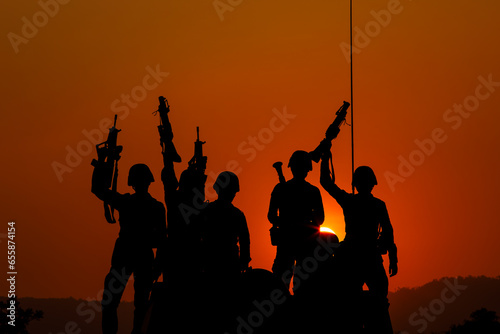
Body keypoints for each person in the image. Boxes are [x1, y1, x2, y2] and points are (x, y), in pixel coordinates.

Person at [320, 146, 398, 333]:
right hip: (367, 255)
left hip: (354, 255)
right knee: (376, 300)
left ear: (356, 183)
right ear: (372, 184)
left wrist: (325, 158)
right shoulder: (377, 204)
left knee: (352, 301)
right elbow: (388, 233)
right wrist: (393, 257)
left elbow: (326, 182)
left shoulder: (350, 201)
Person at [91, 163, 166, 334]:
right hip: (142, 257)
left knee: (113, 303)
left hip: (127, 255)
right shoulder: (156, 207)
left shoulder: (126, 202)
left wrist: (104, 164)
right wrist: (158, 266)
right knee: (139, 305)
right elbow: (162, 241)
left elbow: (98, 189)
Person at [199, 171, 251, 332]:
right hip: (227, 266)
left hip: (211, 265)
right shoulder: (237, 214)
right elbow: (245, 242)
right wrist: (243, 263)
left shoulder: (206, 211)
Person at [268, 150, 325, 291]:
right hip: (289, 242)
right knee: (283, 284)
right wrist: (285, 222)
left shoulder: (311, 191)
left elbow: (320, 219)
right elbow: (271, 216)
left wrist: (297, 222)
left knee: (300, 285)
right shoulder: (284, 189)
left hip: (303, 243)